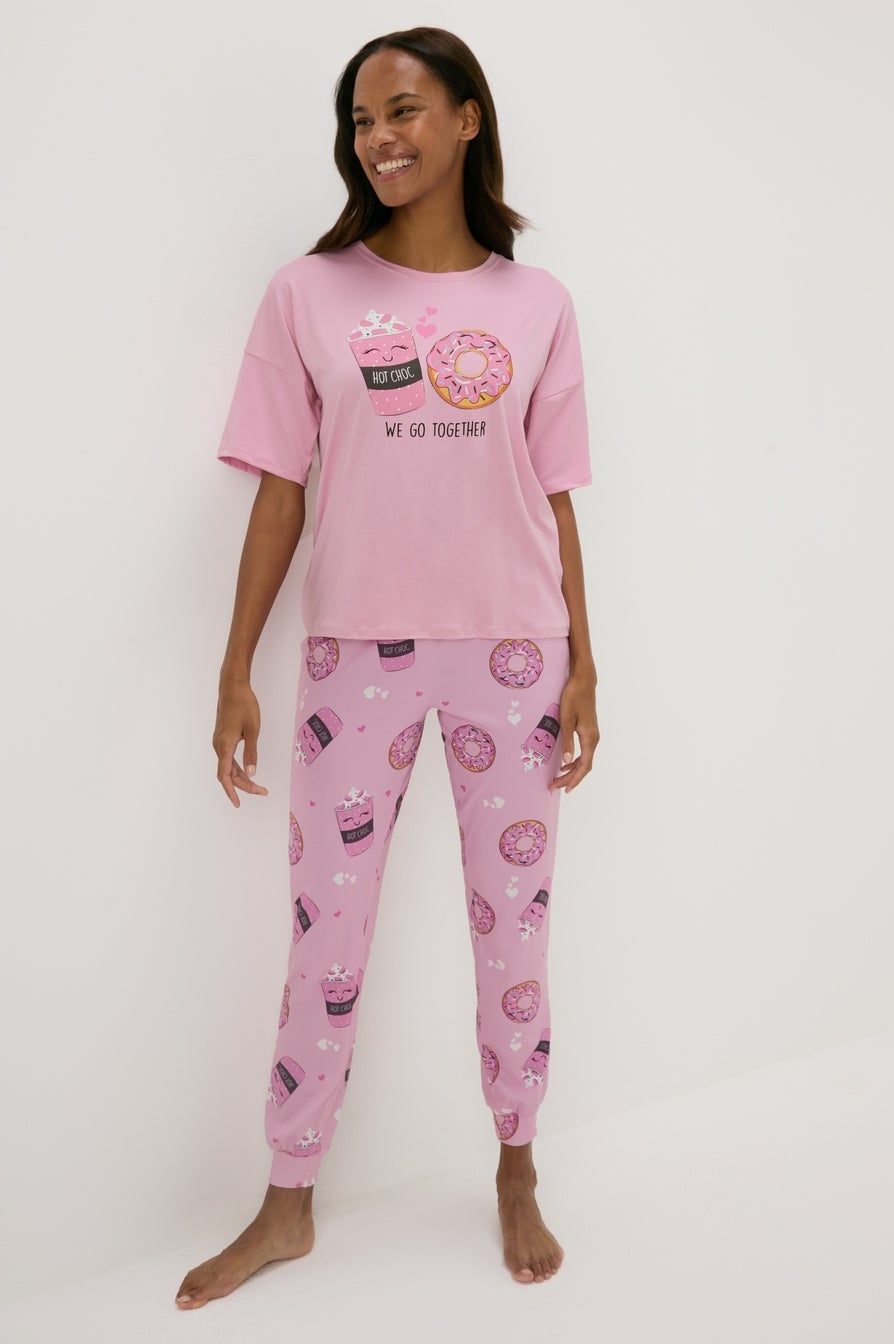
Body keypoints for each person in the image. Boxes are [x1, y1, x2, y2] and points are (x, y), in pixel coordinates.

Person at [175, 25, 598, 1309]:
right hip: (356, 655)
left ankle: (516, 1165)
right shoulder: (309, 293)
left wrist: (587, 662)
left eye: (404, 110)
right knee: (327, 935)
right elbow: (279, 489)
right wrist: (237, 666)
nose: (379, 138)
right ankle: (288, 1198)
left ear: (467, 118)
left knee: (513, 930)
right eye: (361, 120)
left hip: (514, 652)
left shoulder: (538, 305)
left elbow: (556, 495)